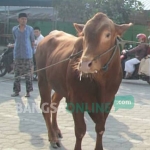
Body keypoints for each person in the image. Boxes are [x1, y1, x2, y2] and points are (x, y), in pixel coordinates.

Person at [11, 13, 35, 97]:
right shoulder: (14, 29)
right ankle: (16, 91)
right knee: (17, 74)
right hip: (17, 55)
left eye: (25, 19)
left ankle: (28, 92)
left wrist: (32, 52)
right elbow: (15, 39)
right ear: (18, 19)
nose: (23, 20)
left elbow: (32, 41)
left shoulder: (30, 29)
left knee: (28, 75)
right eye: (22, 19)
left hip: (27, 55)